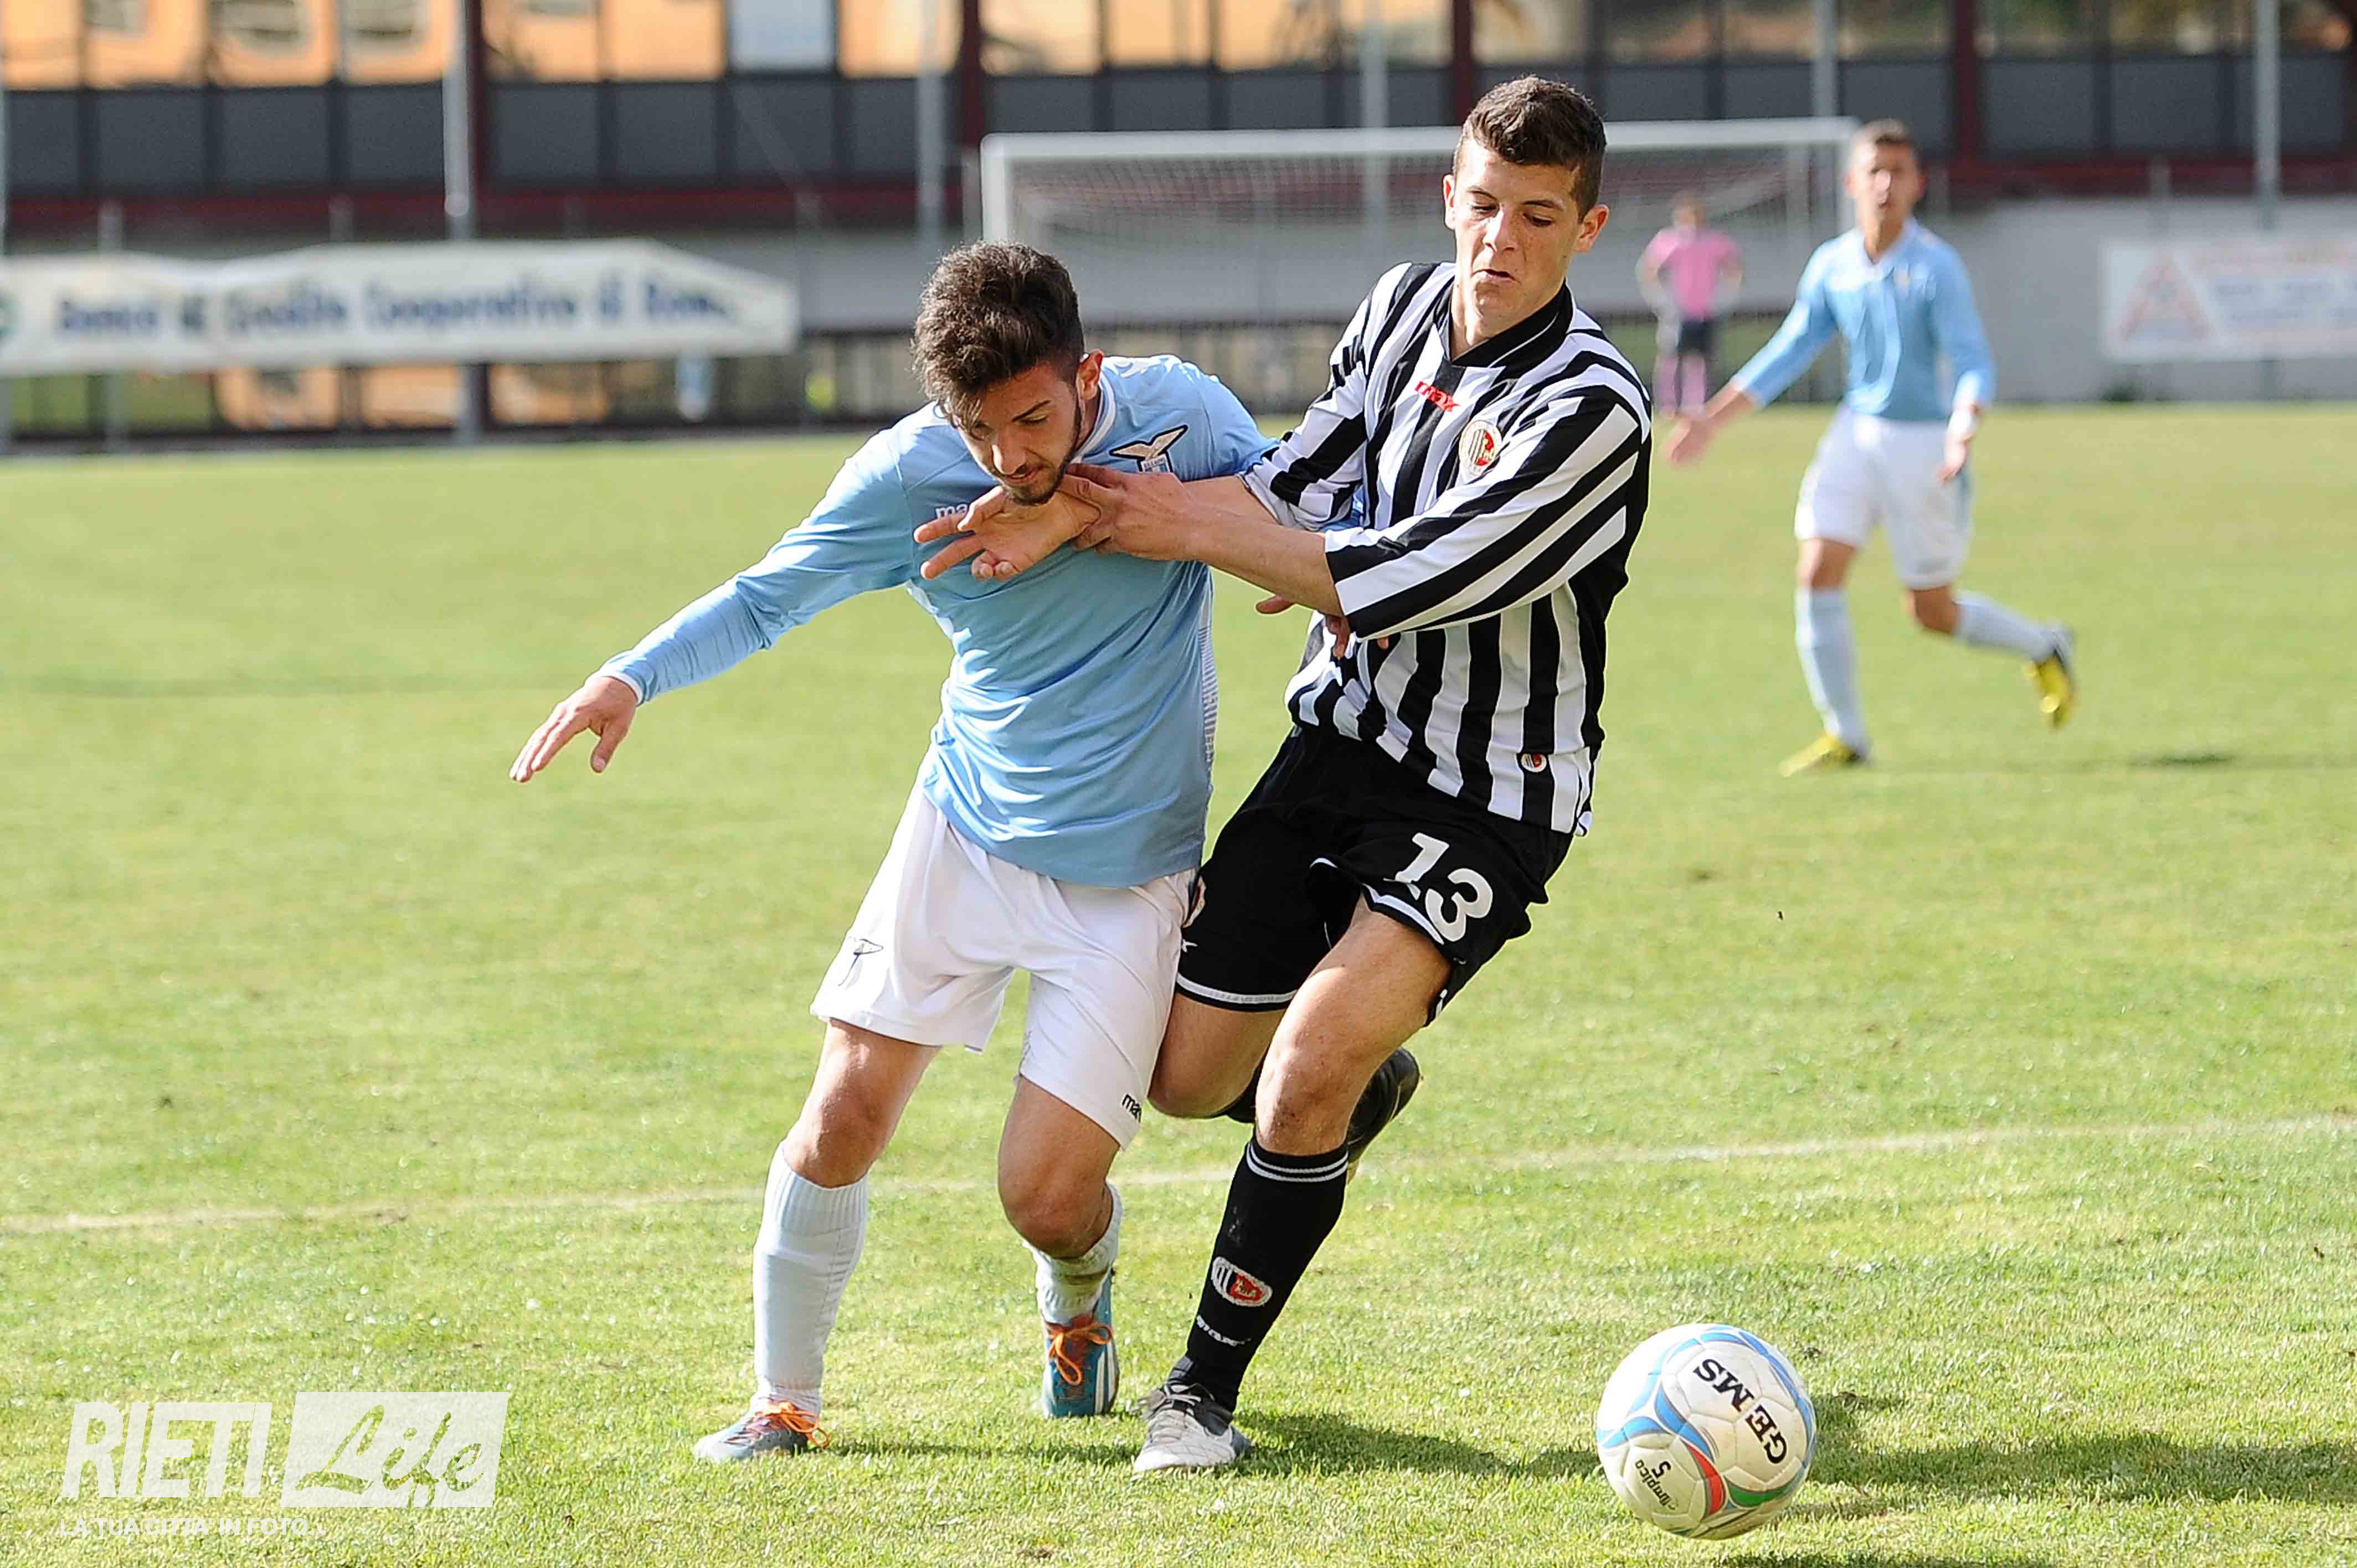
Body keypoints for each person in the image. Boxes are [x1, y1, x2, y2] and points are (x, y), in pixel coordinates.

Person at [922, 76, 1651, 1474]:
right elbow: (1298, 480)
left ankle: (1197, 1397)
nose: (1500, 239)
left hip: (1487, 794)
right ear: (1448, 197)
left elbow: (1411, 572)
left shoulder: (1592, 409)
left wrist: (1191, 534)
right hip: (1340, 742)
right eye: (1483, 205)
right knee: (1190, 1077)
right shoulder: (1396, 310)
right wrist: (1075, 509)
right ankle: (1360, 1096)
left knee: (1302, 1063)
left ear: (1588, 228)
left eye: (1537, 216)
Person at [510, 243, 1324, 1458]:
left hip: (1130, 874)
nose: (1007, 456)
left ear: (1088, 375)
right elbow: (769, 594)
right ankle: (783, 1402)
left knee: (1044, 1199)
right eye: (979, 429)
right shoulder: (908, 475)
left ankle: (1079, 1295)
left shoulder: (1183, 415)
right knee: (842, 1110)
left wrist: (1099, 517)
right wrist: (628, 677)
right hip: (966, 830)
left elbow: (1292, 514)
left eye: (1033, 420)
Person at [1668, 120, 2076, 775]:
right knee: (1815, 570)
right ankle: (1846, 735)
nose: (1885, 183)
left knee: (1930, 611)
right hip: (1854, 433)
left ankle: (2044, 645)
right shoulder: (1832, 265)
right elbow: (1789, 350)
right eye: (1874, 171)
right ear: (1850, 182)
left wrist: (1963, 425)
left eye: (1898, 171)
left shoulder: (1935, 266)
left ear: (1916, 184)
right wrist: (1711, 421)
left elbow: (1971, 360)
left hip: (1922, 445)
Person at [1636, 192, 1742, 416]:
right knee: (1670, 357)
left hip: (1703, 312)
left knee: (1698, 359)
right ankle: (1667, 404)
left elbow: (1734, 268)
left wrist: (1723, 298)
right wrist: (1662, 300)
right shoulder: (1669, 240)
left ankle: (1695, 404)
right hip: (1677, 312)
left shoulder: (1714, 242)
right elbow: (1649, 269)